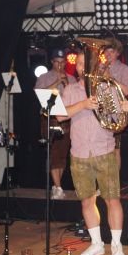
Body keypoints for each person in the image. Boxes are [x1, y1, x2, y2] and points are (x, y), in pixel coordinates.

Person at [59, 49, 128, 255]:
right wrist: (83, 104)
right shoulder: (70, 89)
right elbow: (59, 115)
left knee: (112, 199)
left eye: (86, 63)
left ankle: (116, 244)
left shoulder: (107, 88)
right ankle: (97, 243)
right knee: (86, 201)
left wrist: (127, 112)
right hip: (79, 152)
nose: (82, 67)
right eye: (79, 64)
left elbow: (118, 125)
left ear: (94, 66)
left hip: (104, 150)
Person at [34, 48, 76, 199]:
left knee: (62, 154)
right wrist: (57, 82)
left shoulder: (72, 78)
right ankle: (57, 186)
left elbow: (76, 98)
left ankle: (57, 186)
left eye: (62, 62)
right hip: (49, 117)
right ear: (52, 62)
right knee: (53, 152)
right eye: (57, 62)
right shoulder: (44, 77)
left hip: (66, 118)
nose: (60, 65)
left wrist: (67, 84)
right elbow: (39, 93)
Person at [102, 38, 128, 169]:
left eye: (112, 51)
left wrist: (111, 78)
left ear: (118, 53)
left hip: (116, 113)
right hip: (99, 111)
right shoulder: (98, 67)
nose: (108, 54)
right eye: (106, 51)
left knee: (115, 150)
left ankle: (115, 180)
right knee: (100, 149)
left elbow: (127, 90)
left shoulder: (124, 69)